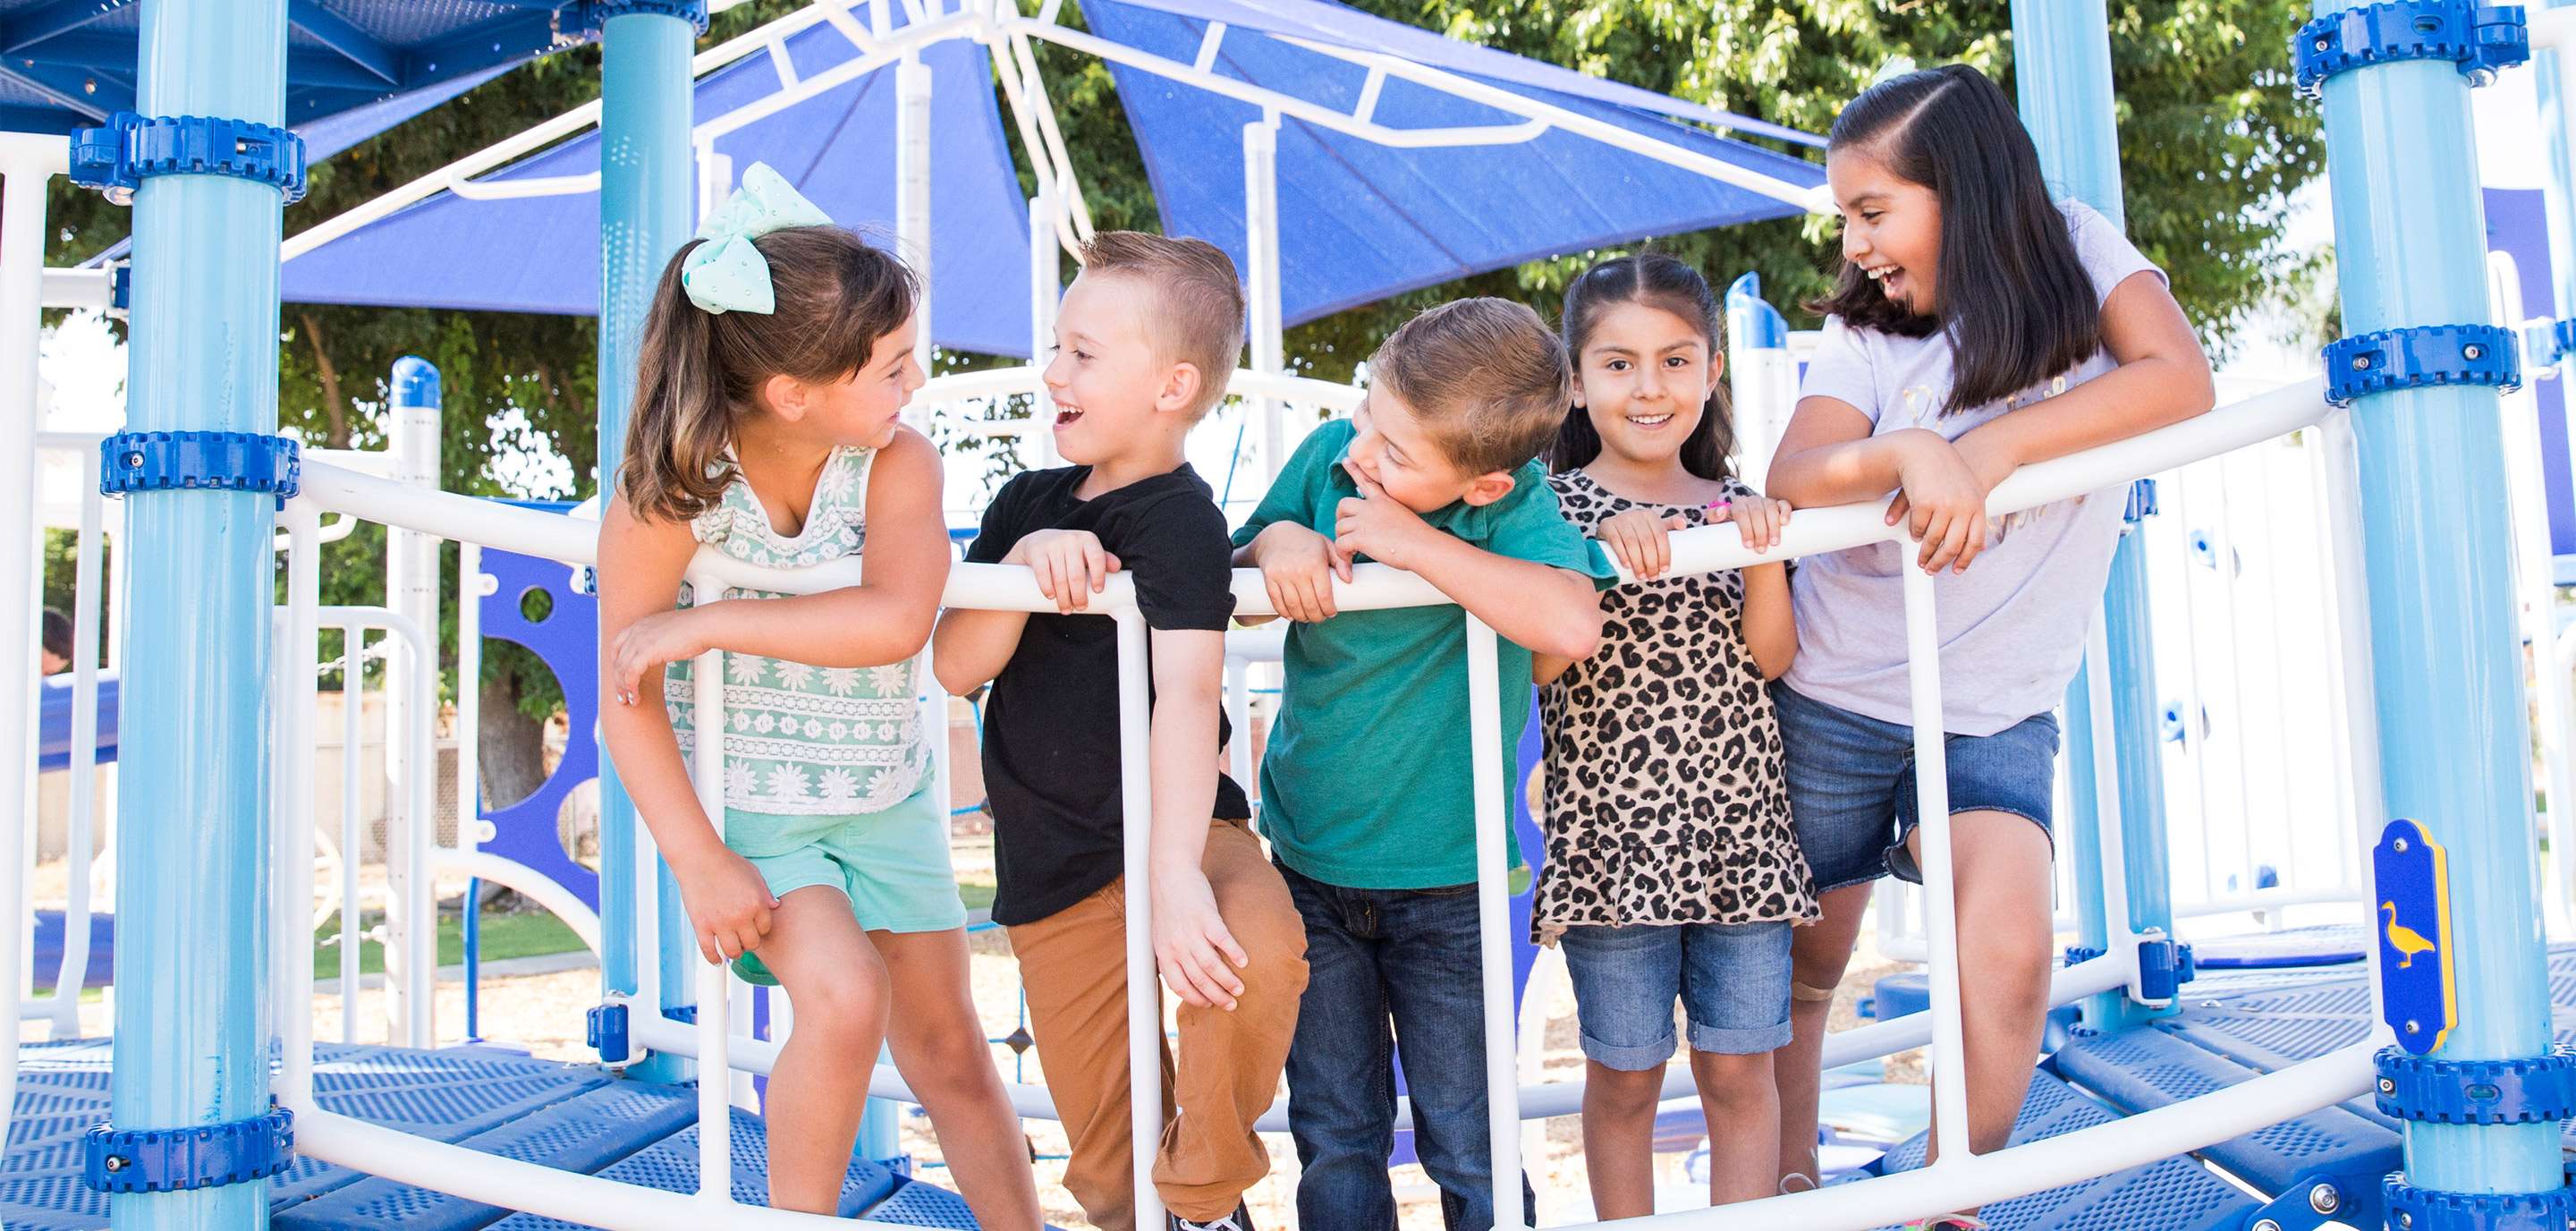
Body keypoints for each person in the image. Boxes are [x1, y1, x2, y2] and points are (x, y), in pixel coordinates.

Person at [1762, 66, 2216, 1228]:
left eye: (1873, 213)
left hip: (1993, 706)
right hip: (1838, 691)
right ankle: (1788, 1180)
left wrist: (1996, 448)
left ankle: (1939, 1193)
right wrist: (1913, 454)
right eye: (1844, 220)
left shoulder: (2077, 252)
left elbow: (2180, 379)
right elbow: (1797, 475)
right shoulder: (1867, 336)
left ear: (1958, 191)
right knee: (1802, 972)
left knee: (2010, 955)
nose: (1854, 243)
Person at [594, 164, 1040, 1224]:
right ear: (793, 394)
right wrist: (699, 859)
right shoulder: (674, 491)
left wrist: (706, 619)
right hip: (756, 809)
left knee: (951, 1049)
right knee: (842, 1000)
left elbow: (895, 619)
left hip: (885, 790)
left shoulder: (897, 465)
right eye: (890, 367)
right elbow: (626, 690)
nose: (916, 380)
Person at [932, 231, 1308, 1231]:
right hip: (1056, 861)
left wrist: (1176, 873)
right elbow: (956, 663)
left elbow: (1186, 694)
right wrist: (1026, 566)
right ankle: (1162, 1205)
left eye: (1084, 354)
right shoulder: (1022, 502)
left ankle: (1204, 1196)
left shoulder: (1181, 520)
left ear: (1173, 384)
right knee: (1107, 1167)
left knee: (1258, 952)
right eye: (1058, 346)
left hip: (1187, 830)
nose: (1054, 371)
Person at [1233, 297, 1613, 1230]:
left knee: (1467, 1134)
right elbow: (1243, 570)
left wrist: (1418, 546)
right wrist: (1279, 543)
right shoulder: (1328, 456)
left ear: (1480, 485)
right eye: (1371, 413)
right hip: (1312, 865)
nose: (1364, 450)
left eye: (1396, 452)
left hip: (1453, 886)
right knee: (1334, 1129)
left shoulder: (1511, 508)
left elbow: (1572, 622)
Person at [1530, 252, 1815, 1213]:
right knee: (1625, 1076)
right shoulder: (1553, 514)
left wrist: (1761, 550)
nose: (1649, 387)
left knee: (1741, 1071)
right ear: (1575, 379)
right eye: (1617, 364)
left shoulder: (1735, 506)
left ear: (1712, 372)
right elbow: (1537, 662)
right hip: (1614, 843)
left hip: (1741, 834)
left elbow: (1770, 658)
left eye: (1675, 360)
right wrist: (1598, 554)